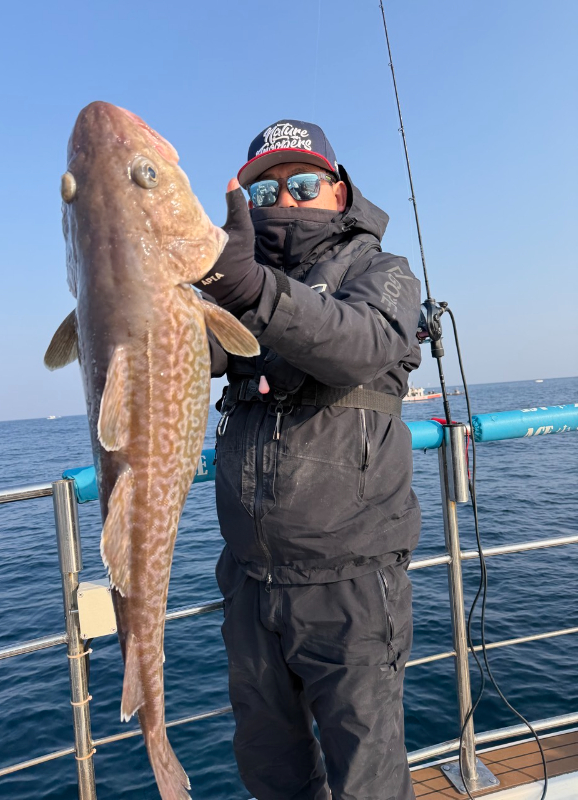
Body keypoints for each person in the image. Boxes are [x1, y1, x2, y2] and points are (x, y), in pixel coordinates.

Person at [196, 119, 422, 800]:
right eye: (265, 192)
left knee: (367, 780)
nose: (285, 201)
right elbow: (189, 350)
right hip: (249, 581)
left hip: (351, 584)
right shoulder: (237, 285)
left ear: (338, 191)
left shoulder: (382, 273)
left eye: (302, 184)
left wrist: (252, 292)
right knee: (272, 772)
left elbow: (362, 344)